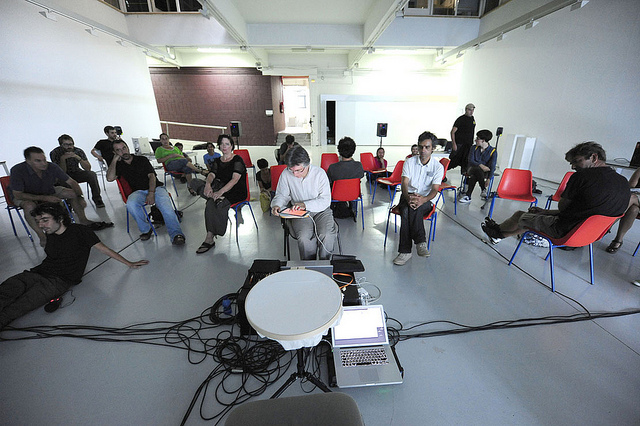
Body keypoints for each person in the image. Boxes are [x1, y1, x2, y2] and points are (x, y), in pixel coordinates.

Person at [0, 202, 148, 330]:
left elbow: (104, 249)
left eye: (45, 220)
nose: (40, 225)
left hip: (58, 281)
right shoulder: (51, 233)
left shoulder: (81, 232)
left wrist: (129, 263)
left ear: (60, 218)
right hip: (36, 273)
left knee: (17, 307)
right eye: (38, 221)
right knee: (6, 290)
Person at [482, 141, 630, 245]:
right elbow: (585, 213)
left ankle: (497, 233)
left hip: (563, 231)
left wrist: (549, 213)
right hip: (590, 235)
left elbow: (563, 208)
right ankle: (499, 235)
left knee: (521, 216)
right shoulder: (623, 182)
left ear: (593, 157)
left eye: (576, 161)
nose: (573, 167)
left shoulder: (581, 177)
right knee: (532, 216)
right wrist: (546, 212)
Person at [10, 146, 109, 247]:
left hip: (48, 190)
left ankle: (83, 220)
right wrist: (45, 198)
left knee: (71, 193)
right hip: (26, 195)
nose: (43, 163)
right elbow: (18, 194)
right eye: (38, 161)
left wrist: (80, 197)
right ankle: (42, 236)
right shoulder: (17, 170)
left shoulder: (51, 166)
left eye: (44, 160)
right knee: (29, 206)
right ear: (28, 161)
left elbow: (72, 182)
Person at [107, 140, 186, 245]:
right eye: (118, 150)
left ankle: (176, 234)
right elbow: (110, 178)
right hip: (138, 192)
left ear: (128, 147)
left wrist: (151, 192)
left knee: (165, 206)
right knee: (131, 204)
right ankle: (146, 229)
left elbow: (152, 176)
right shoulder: (118, 165)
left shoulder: (141, 159)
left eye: (124, 148)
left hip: (156, 188)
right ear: (115, 152)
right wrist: (114, 160)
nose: (123, 151)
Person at [271, 146, 337, 260]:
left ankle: (324, 263)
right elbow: (282, 195)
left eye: (298, 170)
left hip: (321, 211)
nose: (295, 174)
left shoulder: (319, 173)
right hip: (299, 213)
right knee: (304, 237)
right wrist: (277, 205)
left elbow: (325, 200)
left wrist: (305, 205)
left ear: (307, 164)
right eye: (292, 170)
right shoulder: (286, 174)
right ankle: (308, 264)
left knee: (326, 234)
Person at [393, 132, 444, 266]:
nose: (423, 150)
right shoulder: (409, 162)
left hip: (426, 198)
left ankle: (405, 252)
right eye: (421, 147)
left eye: (427, 147)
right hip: (408, 195)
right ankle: (421, 242)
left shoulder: (438, 167)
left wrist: (423, 199)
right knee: (408, 208)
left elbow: (435, 189)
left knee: (407, 211)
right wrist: (408, 197)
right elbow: (404, 183)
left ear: (433, 149)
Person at [192, 134, 247, 254]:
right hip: (219, 187)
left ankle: (209, 238)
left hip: (235, 190)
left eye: (227, 144)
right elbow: (212, 174)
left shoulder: (237, 160)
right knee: (194, 182)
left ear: (231, 146)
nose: (224, 146)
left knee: (211, 204)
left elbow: (235, 179)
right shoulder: (217, 160)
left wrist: (221, 192)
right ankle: (214, 197)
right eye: (222, 144)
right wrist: (208, 185)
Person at [50, 134, 104, 208]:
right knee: (64, 181)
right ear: (61, 145)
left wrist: (78, 158)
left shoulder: (78, 151)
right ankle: (69, 203)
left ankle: (97, 199)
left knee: (92, 174)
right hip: (63, 176)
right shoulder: (55, 153)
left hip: (77, 172)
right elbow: (61, 172)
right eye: (66, 145)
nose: (69, 147)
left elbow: (88, 168)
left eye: (71, 144)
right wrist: (63, 159)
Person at [327, 137, 364, 218]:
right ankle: (353, 210)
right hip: (354, 195)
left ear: (339, 151)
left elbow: (329, 180)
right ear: (353, 151)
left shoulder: (333, 167)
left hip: (336, 195)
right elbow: (361, 176)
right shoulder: (358, 166)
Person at [605, 167, 640, 253]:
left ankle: (605, 225)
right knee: (633, 209)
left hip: (635, 198)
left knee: (631, 198)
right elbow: (630, 187)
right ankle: (618, 240)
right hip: (635, 200)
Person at [459, 129, 497, 204]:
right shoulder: (473, 148)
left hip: (483, 172)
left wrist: (489, 178)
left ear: (483, 140)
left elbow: (493, 165)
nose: (475, 140)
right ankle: (483, 189)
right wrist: (481, 165)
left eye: (477, 139)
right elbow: (470, 160)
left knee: (474, 176)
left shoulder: (493, 151)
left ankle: (468, 196)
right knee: (477, 169)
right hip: (471, 169)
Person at [448, 103, 476, 172]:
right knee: (454, 160)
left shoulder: (472, 119)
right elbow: (452, 132)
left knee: (465, 162)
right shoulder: (460, 119)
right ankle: (443, 173)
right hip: (459, 144)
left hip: (468, 144)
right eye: (470, 110)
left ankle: (465, 175)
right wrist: (454, 144)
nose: (471, 112)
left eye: (472, 110)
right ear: (466, 110)